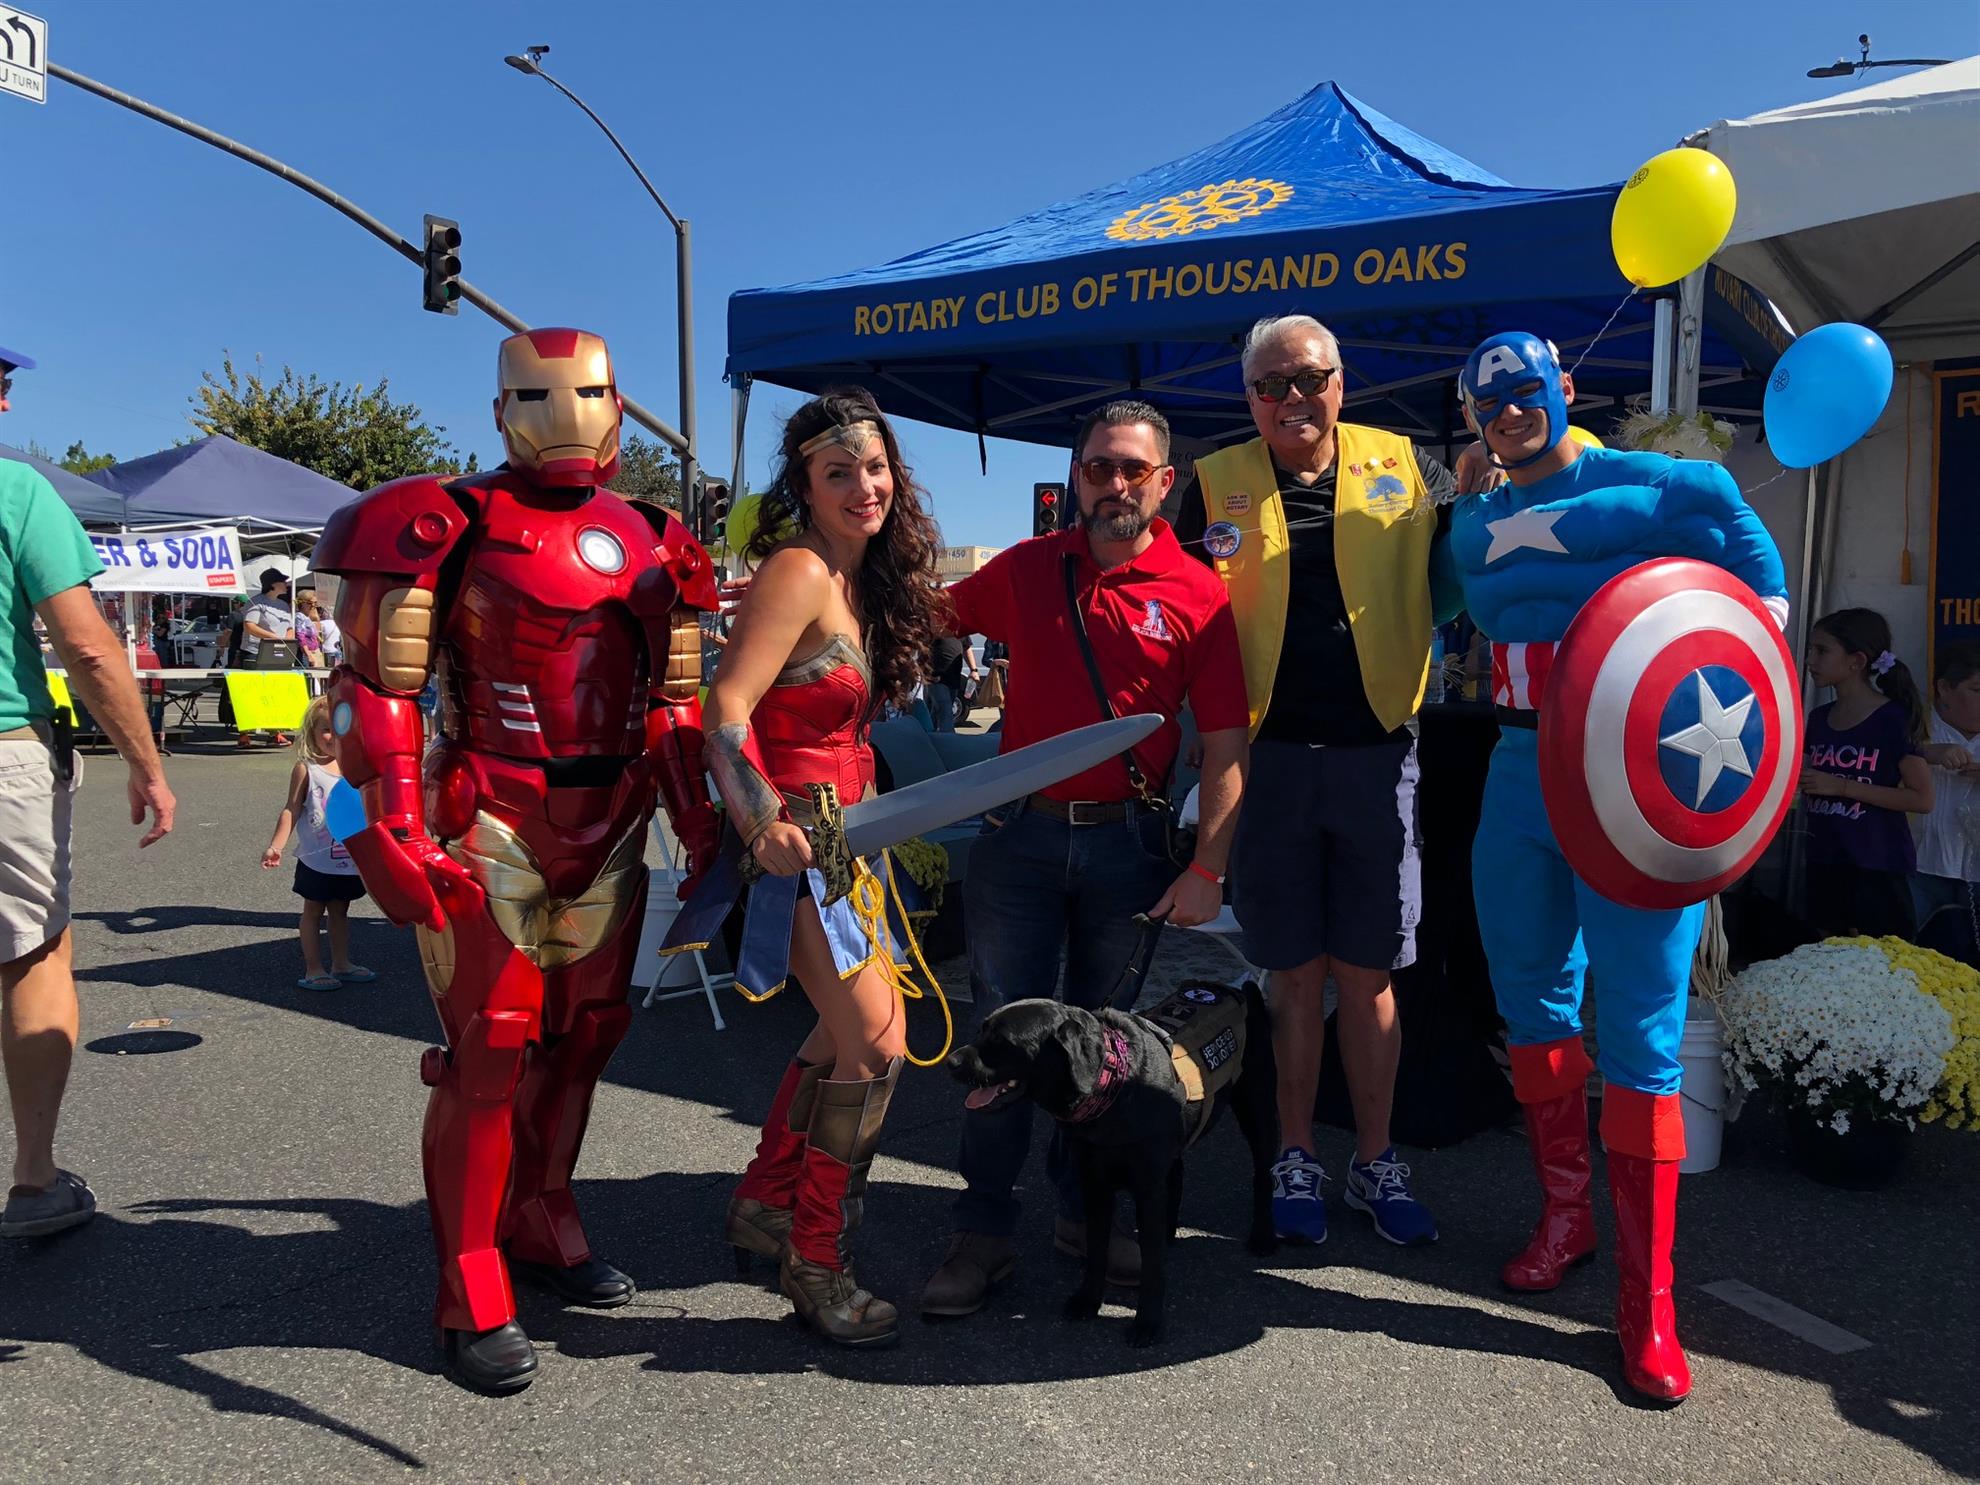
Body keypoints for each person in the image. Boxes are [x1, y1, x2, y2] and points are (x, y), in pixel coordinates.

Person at [314, 327, 722, 1394]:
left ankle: (540, 1212)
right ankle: (470, 1279)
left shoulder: (656, 536)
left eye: (587, 391)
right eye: (538, 395)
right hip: (489, 810)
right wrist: (394, 825)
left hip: (614, 814)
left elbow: (676, 704)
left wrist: (703, 819)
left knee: (586, 1036)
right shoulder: (443, 521)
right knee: (489, 1050)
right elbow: (377, 692)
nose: (566, 414)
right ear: (500, 410)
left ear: (619, 403)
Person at [1445, 330, 1788, 1403]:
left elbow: (1753, 562)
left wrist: (1758, 654)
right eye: (1489, 403)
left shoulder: (1659, 484)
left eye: (1525, 391)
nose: (1510, 412)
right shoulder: (1473, 516)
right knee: (1531, 1005)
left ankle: (1650, 1302)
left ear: (1565, 387)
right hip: (1515, 773)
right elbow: (1443, 604)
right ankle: (1566, 1218)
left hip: (1633, 782)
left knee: (1640, 1030)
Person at [921, 398, 1250, 1319]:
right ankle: (983, 1232)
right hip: (1018, 839)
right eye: (1099, 467)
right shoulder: (1028, 568)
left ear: (1165, 482)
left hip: (1129, 845)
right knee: (1000, 1038)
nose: (1115, 485)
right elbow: (918, 615)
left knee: (1102, 1051)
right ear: (1076, 476)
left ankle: (1081, 1216)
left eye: (1133, 470)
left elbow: (1228, 749)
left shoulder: (1199, 594)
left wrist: (1209, 868)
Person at [1173, 314, 1490, 1251]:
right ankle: (1296, 1153)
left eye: (1309, 378)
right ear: (1249, 399)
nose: (1292, 398)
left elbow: (1466, 568)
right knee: (1292, 974)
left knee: (1369, 975)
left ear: (1340, 382)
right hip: (1266, 763)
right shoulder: (1211, 481)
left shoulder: (1412, 465)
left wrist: (1489, 482)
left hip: (1377, 757)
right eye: (1270, 384)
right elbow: (1176, 611)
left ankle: (1378, 1160)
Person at [711, 387, 947, 1349]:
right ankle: (817, 1258)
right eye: (839, 471)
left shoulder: (861, 578)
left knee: (840, 1031)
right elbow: (725, 709)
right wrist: (761, 818)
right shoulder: (800, 570)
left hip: (858, 846)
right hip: (799, 850)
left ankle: (767, 1203)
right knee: (878, 1044)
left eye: (876, 467)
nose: (864, 486)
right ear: (804, 484)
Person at [0, 342, 176, 1240]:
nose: (5, 402)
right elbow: (89, 647)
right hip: (5, 751)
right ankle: (35, 1178)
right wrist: (146, 763)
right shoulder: (17, 492)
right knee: (32, 955)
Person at [1800, 609, 1934, 939]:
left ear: (1857, 661)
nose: (1810, 660)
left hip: (1876, 866)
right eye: (1810, 649)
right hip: (1825, 859)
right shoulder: (1818, 718)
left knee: (1877, 962)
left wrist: (1842, 786)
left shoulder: (1892, 718)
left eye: (1822, 650)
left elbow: (1922, 798)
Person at [260, 696, 374, 990]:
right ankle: (314, 968)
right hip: (316, 858)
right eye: (326, 729)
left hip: (349, 857)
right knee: (313, 910)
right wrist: (276, 846)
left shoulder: (356, 769)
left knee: (340, 911)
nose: (334, 736)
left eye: (341, 729)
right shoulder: (307, 769)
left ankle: (341, 963)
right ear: (311, 732)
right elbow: (291, 809)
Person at [1913, 641, 1980, 961]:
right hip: (1918, 867)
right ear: (1944, 688)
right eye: (1977, 690)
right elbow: (1875, 760)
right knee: (1905, 958)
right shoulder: (1912, 725)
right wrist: (1923, 753)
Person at [235, 568, 297, 749]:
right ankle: (245, 734)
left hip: (278, 654)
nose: (286, 584)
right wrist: (273, 637)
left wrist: (288, 640)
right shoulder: (256, 602)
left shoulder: (284, 605)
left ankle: (275, 732)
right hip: (255, 652)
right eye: (282, 581)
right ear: (272, 584)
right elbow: (250, 626)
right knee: (251, 694)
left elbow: (289, 627)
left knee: (275, 693)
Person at [927, 630, 970, 732]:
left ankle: (931, 734)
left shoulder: (960, 629)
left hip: (953, 677)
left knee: (939, 710)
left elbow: (967, 648)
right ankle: (948, 736)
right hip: (937, 678)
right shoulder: (935, 628)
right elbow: (923, 649)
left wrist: (973, 670)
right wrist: (927, 672)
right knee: (945, 708)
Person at [293, 588, 341, 669]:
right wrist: (309, 655)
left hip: (315, 651)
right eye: (310, 603)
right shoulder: (300, 617)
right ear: (302, 603)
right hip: (307, 654)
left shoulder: (307, 617)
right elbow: (300, 637)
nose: (313, 606)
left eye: (315, 603)